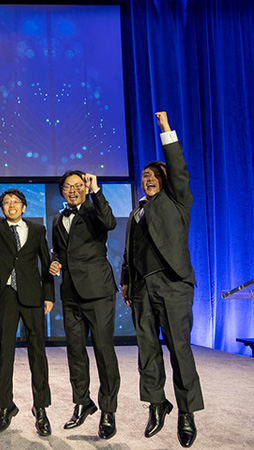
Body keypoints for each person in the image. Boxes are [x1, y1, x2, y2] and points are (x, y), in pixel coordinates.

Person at [121, 111, 203, 448]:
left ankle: (187, 411)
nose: (149, 179)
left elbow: (178, 169)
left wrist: (166, 130)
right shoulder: (135, 212)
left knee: (179, 349)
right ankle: (157, 403)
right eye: (145, 175)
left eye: (156, 175)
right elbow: (129, 252)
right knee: (147, 351)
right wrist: (127, 281)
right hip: (142, 288)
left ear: (166, 181)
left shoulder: (177, 201)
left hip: (172, 284)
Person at [0, 158, 54, 437]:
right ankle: (6, 407)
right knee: (4, 354)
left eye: (15, 202)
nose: (11, 206)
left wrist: (49, 296)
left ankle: (41, 408)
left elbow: (46, 264)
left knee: (37, 354)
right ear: (2, 209)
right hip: (4, 296)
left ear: (24, 207)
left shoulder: (38, 230)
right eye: (6, 203)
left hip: (32, 298)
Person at [49, 170, 120, 439]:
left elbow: (110, 222)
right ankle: (82, 403)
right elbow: (59, 251)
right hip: (70, 294)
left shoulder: (94, 210)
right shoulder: (58, 219)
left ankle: (108, 410)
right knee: (75, 352)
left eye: (78, 185)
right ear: (62, 191)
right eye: (68, 186)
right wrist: (54, 262)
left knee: (103, 350)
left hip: (98, 291)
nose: (73, 190)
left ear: (86, 187)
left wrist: (96, 190)